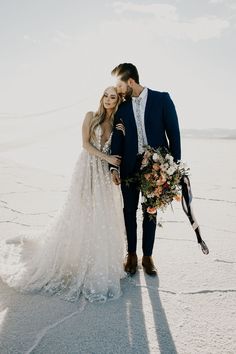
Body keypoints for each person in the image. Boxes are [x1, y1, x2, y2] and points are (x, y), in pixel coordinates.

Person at [0, 86, 126, 303]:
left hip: (104, 175)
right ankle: (73, 259)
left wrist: (114, 166)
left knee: (101, 215)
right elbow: (85, 145)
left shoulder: (117, 123)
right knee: (80, 210)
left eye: (112, 97)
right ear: (101, 97)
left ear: (117, 101)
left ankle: (96, 261)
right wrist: (106, 159)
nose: (108, 99)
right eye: (105, 95)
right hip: (87, 168)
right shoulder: (91, 116)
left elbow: (118, 148)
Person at [110, 63, 181, 276]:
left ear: (130, 81)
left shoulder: (162, 99)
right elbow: (117, 140)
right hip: (129, 168)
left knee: (150, 211)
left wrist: (173, 170)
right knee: (129, 211)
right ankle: (131, 254)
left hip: (156, 168)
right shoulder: (121, 108)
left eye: (120, 85)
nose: (119, 90)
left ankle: (147, 256)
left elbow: (174, 134)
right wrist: (113, 167)